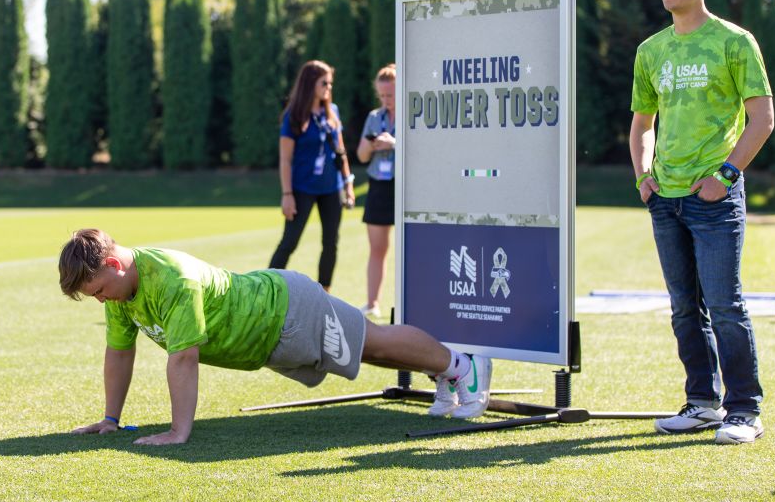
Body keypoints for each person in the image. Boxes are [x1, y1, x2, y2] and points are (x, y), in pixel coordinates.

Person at [59, 228, 493, 445]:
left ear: (114, 266)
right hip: (271, 340)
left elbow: (183, 358)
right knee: (366, 351)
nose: (101, 302)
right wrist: (110, 420)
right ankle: (448, 370)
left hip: (287, 311)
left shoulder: (172, 278)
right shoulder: (119, 296)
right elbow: (119, 353)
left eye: (97, 291)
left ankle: (463, 366)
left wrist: (178, 432)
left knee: (371, 342)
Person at [630, 0, 774, 444]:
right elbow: (641, 125)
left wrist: (727, 176)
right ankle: (702, 403)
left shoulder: (735, 42)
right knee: (684, 308)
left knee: (725, 304)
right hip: (664, 199)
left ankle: (743, 411)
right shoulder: (651, 50)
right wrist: (643, 177)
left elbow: (762, 120)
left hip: (714, 198)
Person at [268, 60, 353, 291]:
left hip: (330, 188)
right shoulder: (293, 115)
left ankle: (324, 293)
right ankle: (266, 288)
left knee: (331, 243)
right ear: (309, 83)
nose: (328, 87)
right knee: (290, 242)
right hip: (301, 189)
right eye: (323, 82)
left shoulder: (332, 112)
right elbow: (285, 159)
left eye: (330, 83)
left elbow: (341, 151)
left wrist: (348, 183)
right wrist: (287, 194)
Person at [355, 63, 397, 318]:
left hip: (402, 184)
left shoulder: (412, 112)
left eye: (390, 95)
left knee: (409, 248)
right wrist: (373, 146)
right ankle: (372, 303)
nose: (386, 100)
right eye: (382, 95)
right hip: (378, 186)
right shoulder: (374, 117)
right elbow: (360, 155)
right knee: (377, 249)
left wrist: (394, 144)